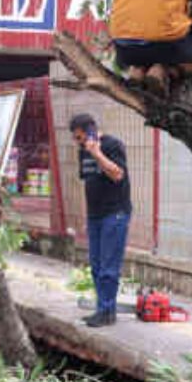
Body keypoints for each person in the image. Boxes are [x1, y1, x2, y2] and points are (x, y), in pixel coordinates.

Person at [70, 114, 131, 328]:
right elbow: (89, 184)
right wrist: (87, 216)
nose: (78, 143)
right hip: (95, 216)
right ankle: (101, 310)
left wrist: (96, 153)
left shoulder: (113, 145)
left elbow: (117, 174)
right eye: (76, 139)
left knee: (108, 267)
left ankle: (107, 313)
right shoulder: (82, 152)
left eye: (80, 138)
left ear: (90, 132)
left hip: (115, 214)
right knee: (96, 266)